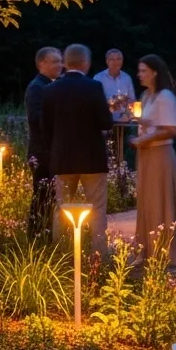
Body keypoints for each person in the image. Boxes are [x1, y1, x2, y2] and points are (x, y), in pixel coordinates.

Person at [43, 43, 114, 255]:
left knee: (62, 208)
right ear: (86, 63)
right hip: (92, 159)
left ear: (65, 63)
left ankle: (61, 254)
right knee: (98, 208)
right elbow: (106, 123)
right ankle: (98, 256)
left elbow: (45, 127)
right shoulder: (93, 87)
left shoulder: (51, 89)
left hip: (63, 159)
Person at [131, 54, 176, 263]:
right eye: (139, 70)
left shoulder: (165, 96)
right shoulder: (146, 96)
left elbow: (172, 129)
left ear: (155, 72)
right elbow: (153, 120)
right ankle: (145, 249)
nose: (140, 75)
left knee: (159, 199)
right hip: (146, 153)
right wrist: (137, 121)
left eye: (144, 71)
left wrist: (145, 139)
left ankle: (164, 250)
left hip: (160, 153)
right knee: (146, 201)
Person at [25, 46, 62, 241]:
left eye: (60, 61)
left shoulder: (49, 85)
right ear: (42, 64)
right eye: (55, 61)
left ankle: (44, 238)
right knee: (41, 199)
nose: (60, 65)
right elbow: (36, 119)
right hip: (42, 153)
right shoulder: (37, 88)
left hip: (48, 152)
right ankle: (37, 239)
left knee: (48, 199)